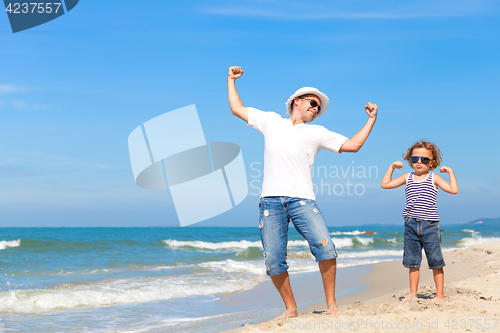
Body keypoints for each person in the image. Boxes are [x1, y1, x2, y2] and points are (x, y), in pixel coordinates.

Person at [227, 66, 378, 317]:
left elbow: (353, 145)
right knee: (274, 261)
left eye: (318, 107)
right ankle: (291, 308)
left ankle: (331, 304)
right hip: (270, 202)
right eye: (312, 103)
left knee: (325, 248)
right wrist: (231, 79)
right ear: (296, 101)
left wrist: (371, 119)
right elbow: (237, 109)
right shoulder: (271, 121)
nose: (316, 109)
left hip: (302, 200)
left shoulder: (317, 132)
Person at [381, 140, 458, 302]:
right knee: (412, 261)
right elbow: (385, 185)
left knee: (435, 260)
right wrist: (391, 168)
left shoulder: (434, 178)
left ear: (432, 163)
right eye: (414, 159)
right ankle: (413, 293)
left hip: (430, 224)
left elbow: (453, 190)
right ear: (410, 161)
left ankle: (440, 294)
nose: (419, 163)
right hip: (410, 224)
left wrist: (450, 172)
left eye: (424, 159)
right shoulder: (406, 177)